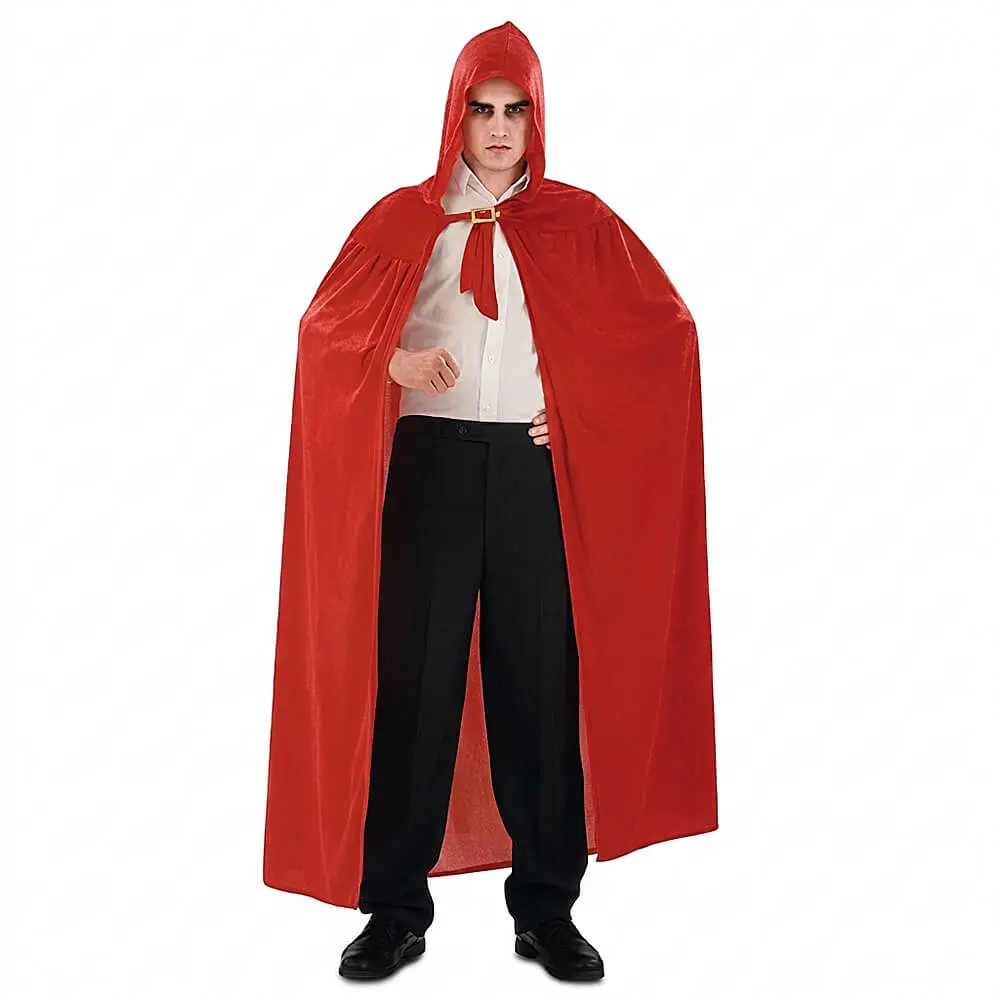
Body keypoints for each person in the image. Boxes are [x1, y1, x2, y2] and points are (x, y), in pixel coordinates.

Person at [263, 20, 718, 984]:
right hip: (429, 467)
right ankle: (393, 910)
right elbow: (322, 333)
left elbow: (667, 337)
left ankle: (547, 910)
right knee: (415, 688)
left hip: (533, 476)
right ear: (455, 116)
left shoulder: (582, 224)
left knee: (538, 689)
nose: (500, 128)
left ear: (537, 118)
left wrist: (582, 409)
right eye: (483, 109)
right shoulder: (404, 220)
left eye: (516, 110)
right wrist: (392, 361)